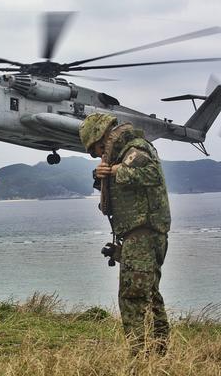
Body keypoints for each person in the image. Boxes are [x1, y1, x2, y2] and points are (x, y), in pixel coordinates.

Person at [79, 112, 171, 355]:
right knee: (148, 293)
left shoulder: (135, 149)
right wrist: (100, 177)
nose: (97, 155)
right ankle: (159, 351)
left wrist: (116, 171)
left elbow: (152, 175)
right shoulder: (122, 155)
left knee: (132, 296)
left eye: (96, 149)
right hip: (139, 234)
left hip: (143, 233)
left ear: (102, 137)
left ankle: (139, 354)